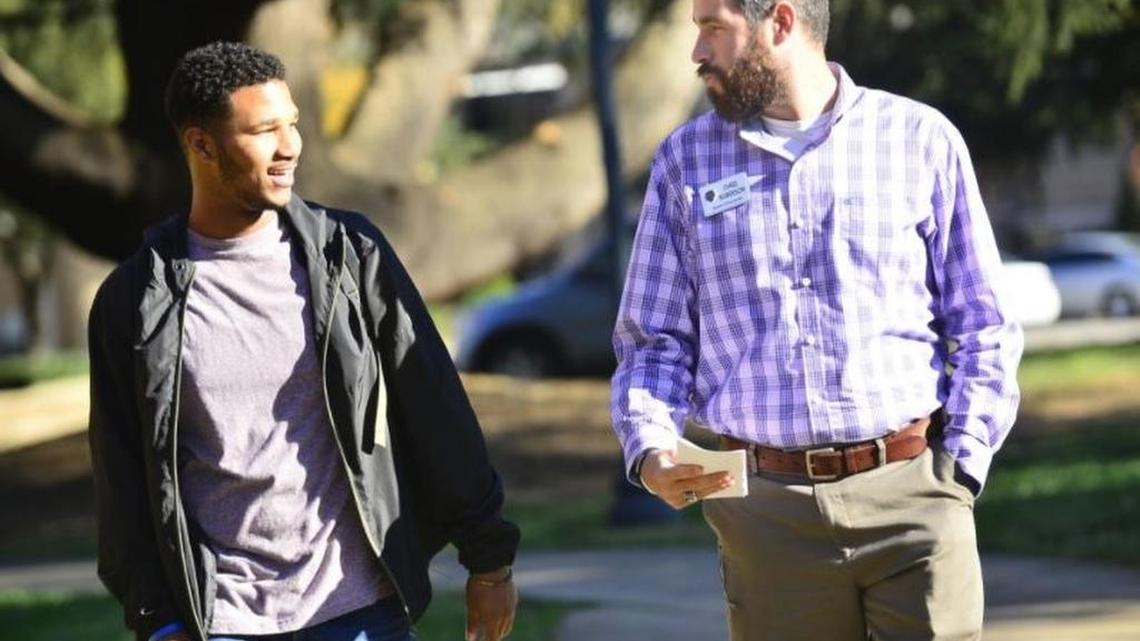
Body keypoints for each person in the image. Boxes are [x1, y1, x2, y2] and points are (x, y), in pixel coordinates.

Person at [610, 1, 1022, 640]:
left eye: (713, 28)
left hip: (915, 499)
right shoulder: (683, 163)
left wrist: (960, 467)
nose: (697, 53)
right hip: (764, 517)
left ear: (778, 22)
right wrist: (651, 447)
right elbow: (654, 340)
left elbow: (983, 323)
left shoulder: (919, 138)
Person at [87, 42, 519, 641]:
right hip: (224, 618)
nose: (290, 146)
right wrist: (156, 621)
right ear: (201, 144)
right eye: (265, 130)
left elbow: (434, 404)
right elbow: (124, 476)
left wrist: (488, 560)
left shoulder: (349, 256)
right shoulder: (135, 300)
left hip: (362, 608)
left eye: (291, 124)